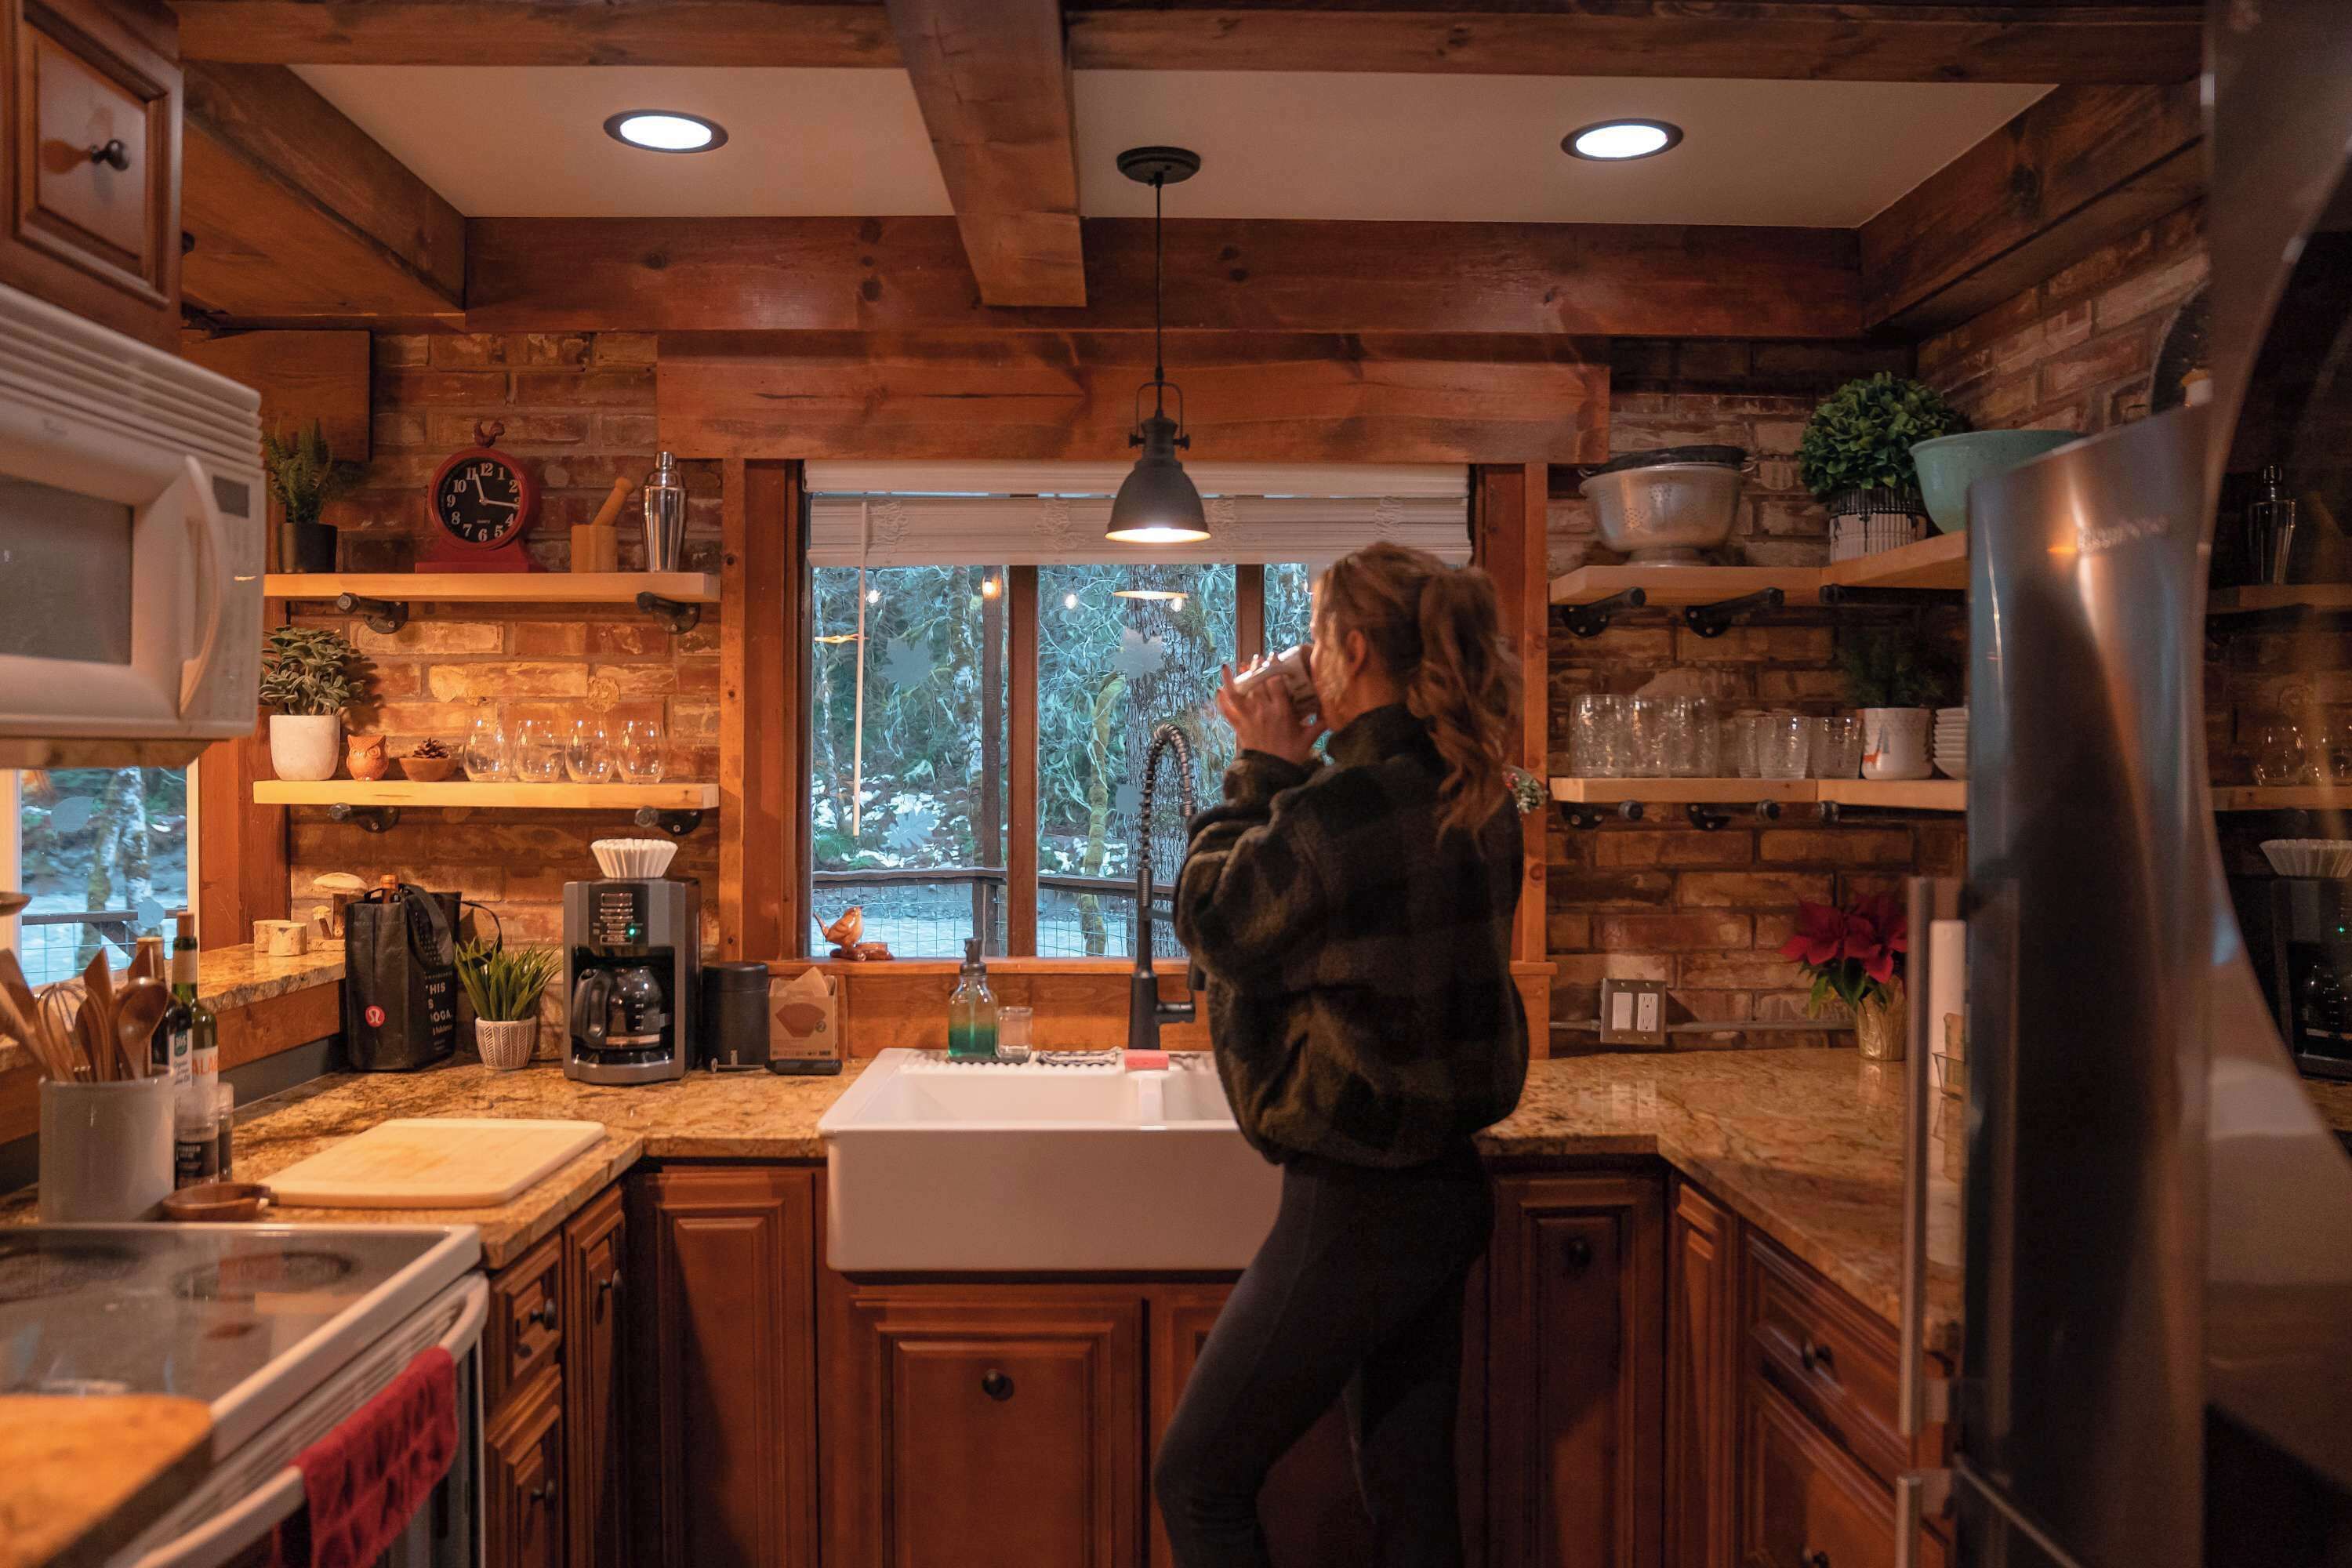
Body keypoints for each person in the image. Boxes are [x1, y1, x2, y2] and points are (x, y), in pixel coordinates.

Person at [1154, 542, 1531, 1568]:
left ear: (1352, 647)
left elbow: (1215, 918)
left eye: (1316, 636)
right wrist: (1303, 765)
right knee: (1411, 1502)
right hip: (1447, 1190)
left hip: (1358, 1205)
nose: (1305, 657)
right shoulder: (1483, 790)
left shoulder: (1333, 814)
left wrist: (1265, 765)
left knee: (1197, 1480)